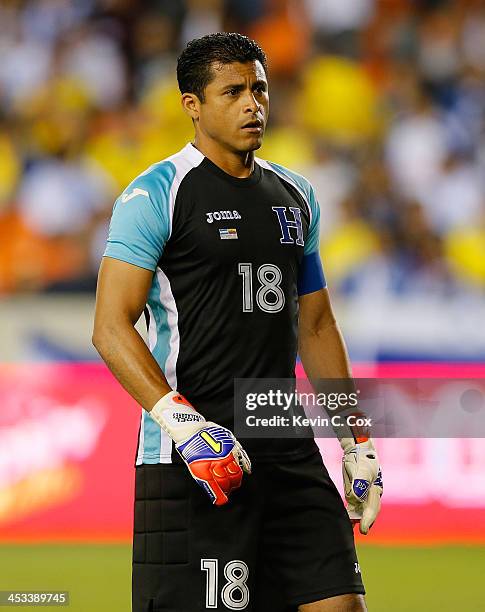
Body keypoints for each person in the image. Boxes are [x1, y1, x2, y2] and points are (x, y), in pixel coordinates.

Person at [93, 32, 382, 612]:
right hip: (194, 458)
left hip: (287, 447)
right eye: (233, 91)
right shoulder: (157, 194)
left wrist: (356, 440)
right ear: (192, 105)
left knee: (342, 605)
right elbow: (110, 326)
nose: (253, 103)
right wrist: (182, 425)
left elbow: (317, 325)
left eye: (260, 89)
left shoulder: (296, 196)